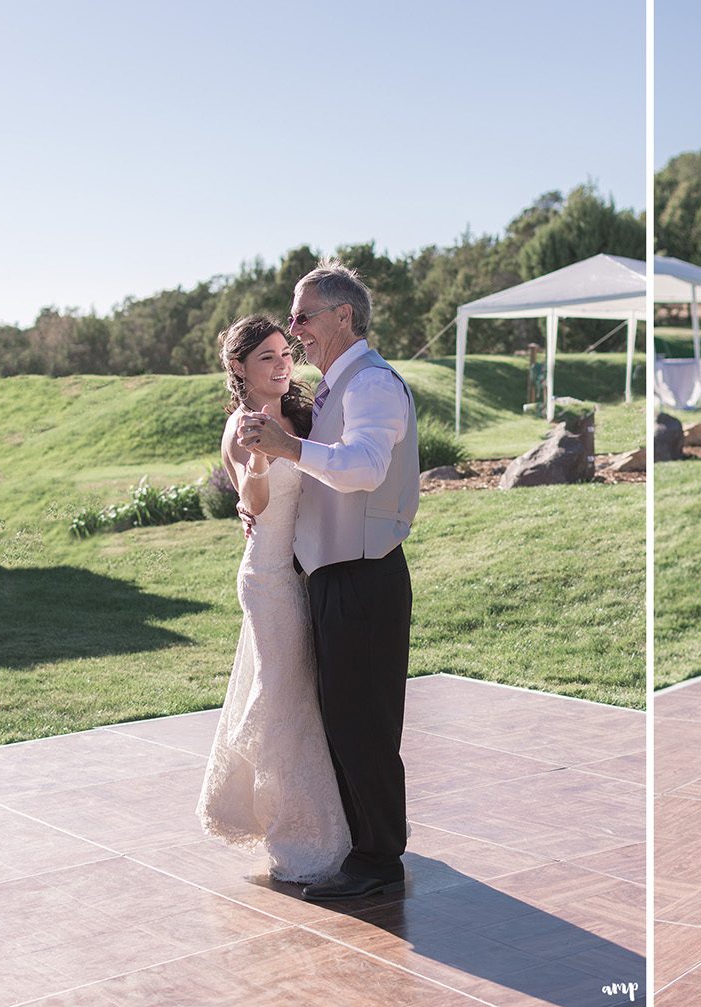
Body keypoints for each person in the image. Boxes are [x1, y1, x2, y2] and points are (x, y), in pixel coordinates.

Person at [237, 260, 420, 902]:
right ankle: (360, 845)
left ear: (344, 316)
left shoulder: (370, 384)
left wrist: (288, 451)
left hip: (363, 578)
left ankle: (377, 861)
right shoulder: (336, 388)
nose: (295, 330)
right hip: (333, 577)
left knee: (363, 722)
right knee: (343, 718)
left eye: (303, 316)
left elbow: (365, 470)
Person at [197, 315, 351, 883]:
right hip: (269, 580)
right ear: (239, 368)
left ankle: (336, 822)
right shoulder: (242, 426)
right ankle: (298, 835)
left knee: (307, 697)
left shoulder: (305, 413)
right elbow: (256, 502)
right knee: (283, 701)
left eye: (286, 353)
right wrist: (262, 455)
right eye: (266, 356)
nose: (283, 363)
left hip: (312, 571)